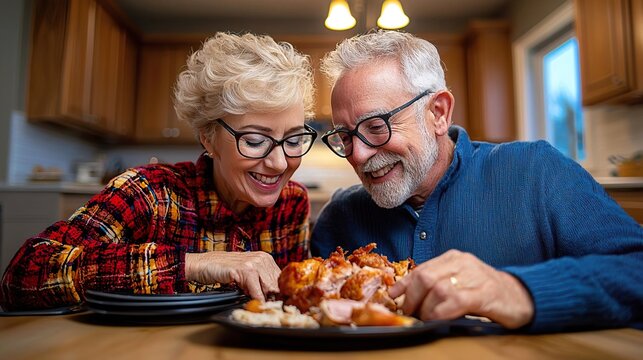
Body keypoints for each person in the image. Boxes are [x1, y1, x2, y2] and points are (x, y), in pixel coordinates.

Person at [311, 30, 643, 332]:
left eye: (377, 126)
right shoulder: (340, 218)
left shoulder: (536, 172)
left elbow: (635, 270)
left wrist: (516, 290)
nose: (357, 156)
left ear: (438, 113)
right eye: (345, 137)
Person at [1, 32, 317, 310]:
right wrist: (193, 265)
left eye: (293, 139)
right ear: (208, 138)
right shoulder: (149, 194)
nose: (279, 163)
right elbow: (23, 275)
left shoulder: (291, 204)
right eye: (254, 140)